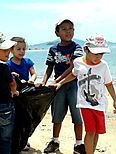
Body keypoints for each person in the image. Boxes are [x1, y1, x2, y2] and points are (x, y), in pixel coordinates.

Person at [54, 34, 116, 154]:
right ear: (85, 50)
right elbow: (73, 74)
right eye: (95, 53)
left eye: (101, 54)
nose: (98, 57)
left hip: (100, 105)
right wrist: (61, 83)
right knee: (90, 131)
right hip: (84, 104)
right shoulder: (78, 62)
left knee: (96, 132)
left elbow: (109, 83)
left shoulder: (103, 66)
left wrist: (115, 100)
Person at [41, 18, 85, 153]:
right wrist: (44, 82)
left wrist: (57, 81)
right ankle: (55, 141)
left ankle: (78, 144)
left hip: (74, 84)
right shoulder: (53, 49)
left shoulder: (77, 47)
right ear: (57, 33)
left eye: (70, 29)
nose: (68, 32)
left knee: (77, 115)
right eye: (64, 29)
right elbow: (49, 67)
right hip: (58, 87)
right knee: (57, 114)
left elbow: (73, 67)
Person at [6, 36, 37, 151]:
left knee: (26, 118)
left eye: (23, 49)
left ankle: (24, 140)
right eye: (18, 49)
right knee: (15, 118)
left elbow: (34, 74)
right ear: (11, 50)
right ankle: (16, 140)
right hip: (14, 95)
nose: (21, 52)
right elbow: (6, 79)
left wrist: (31, 81)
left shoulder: (27, 62)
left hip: (26, 95)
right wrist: (13, 75)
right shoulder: (8, 65)